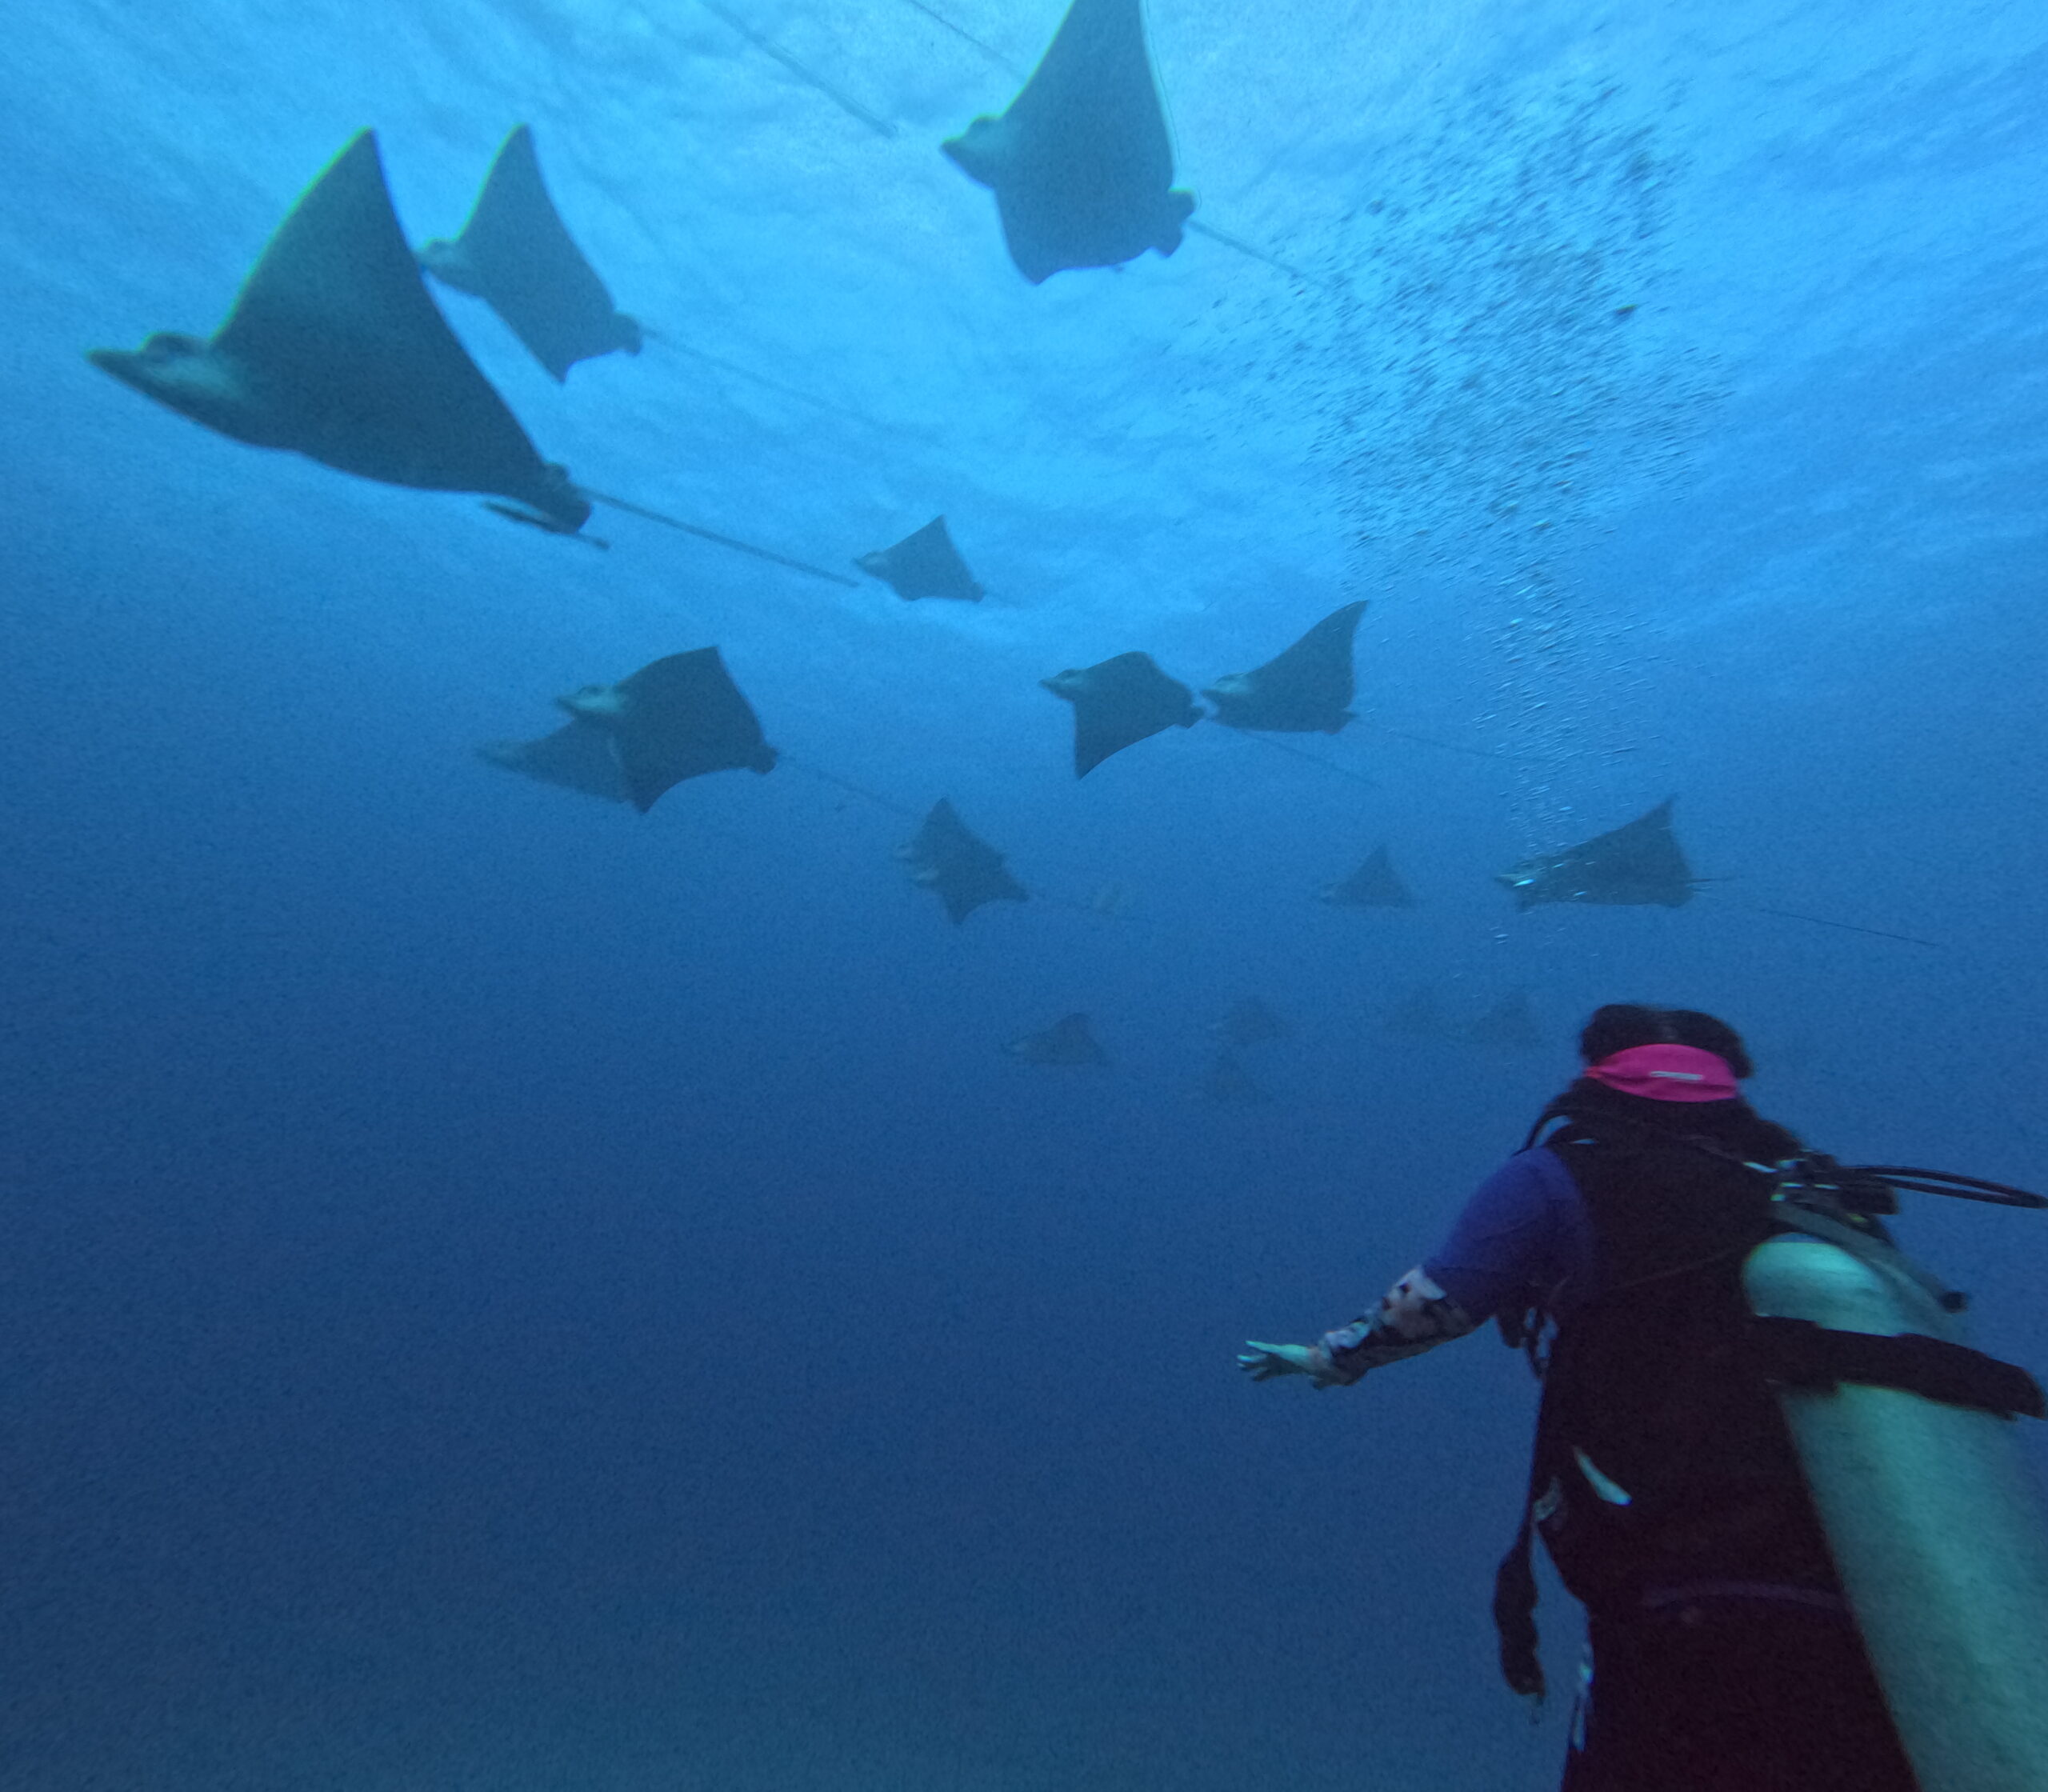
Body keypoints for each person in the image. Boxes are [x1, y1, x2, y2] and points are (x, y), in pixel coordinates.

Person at [1238, 1003, 1922, 1792]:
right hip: (1873, 1583)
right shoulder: (1816, 1197)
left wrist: (1329, 1357)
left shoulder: (1558, 1174)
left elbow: (1438, 1300)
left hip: (1674, 1577)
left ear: (1595, 1071)